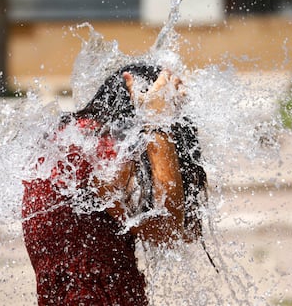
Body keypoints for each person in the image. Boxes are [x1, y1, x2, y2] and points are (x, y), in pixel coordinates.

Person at [21, 64, 209, 305]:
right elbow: (168, 229)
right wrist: (157, 123)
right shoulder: (99, 149)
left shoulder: (67, 136)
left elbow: (188, 229)